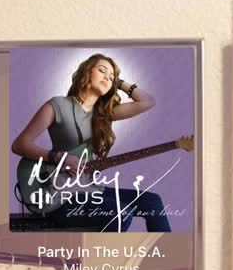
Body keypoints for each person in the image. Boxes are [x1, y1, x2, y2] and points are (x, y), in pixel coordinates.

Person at [11, 52, 172, 232]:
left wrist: (119, 82)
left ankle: (167, 251)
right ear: (87, 72)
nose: (107, 77)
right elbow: (19, 145)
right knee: (121, 213)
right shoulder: (57, 105)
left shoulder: (105, 114)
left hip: (87, 187)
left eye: (112, 77)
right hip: (58, 195)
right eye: (102, 70)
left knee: (152, 201)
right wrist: (59, 158)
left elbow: (148, 101)